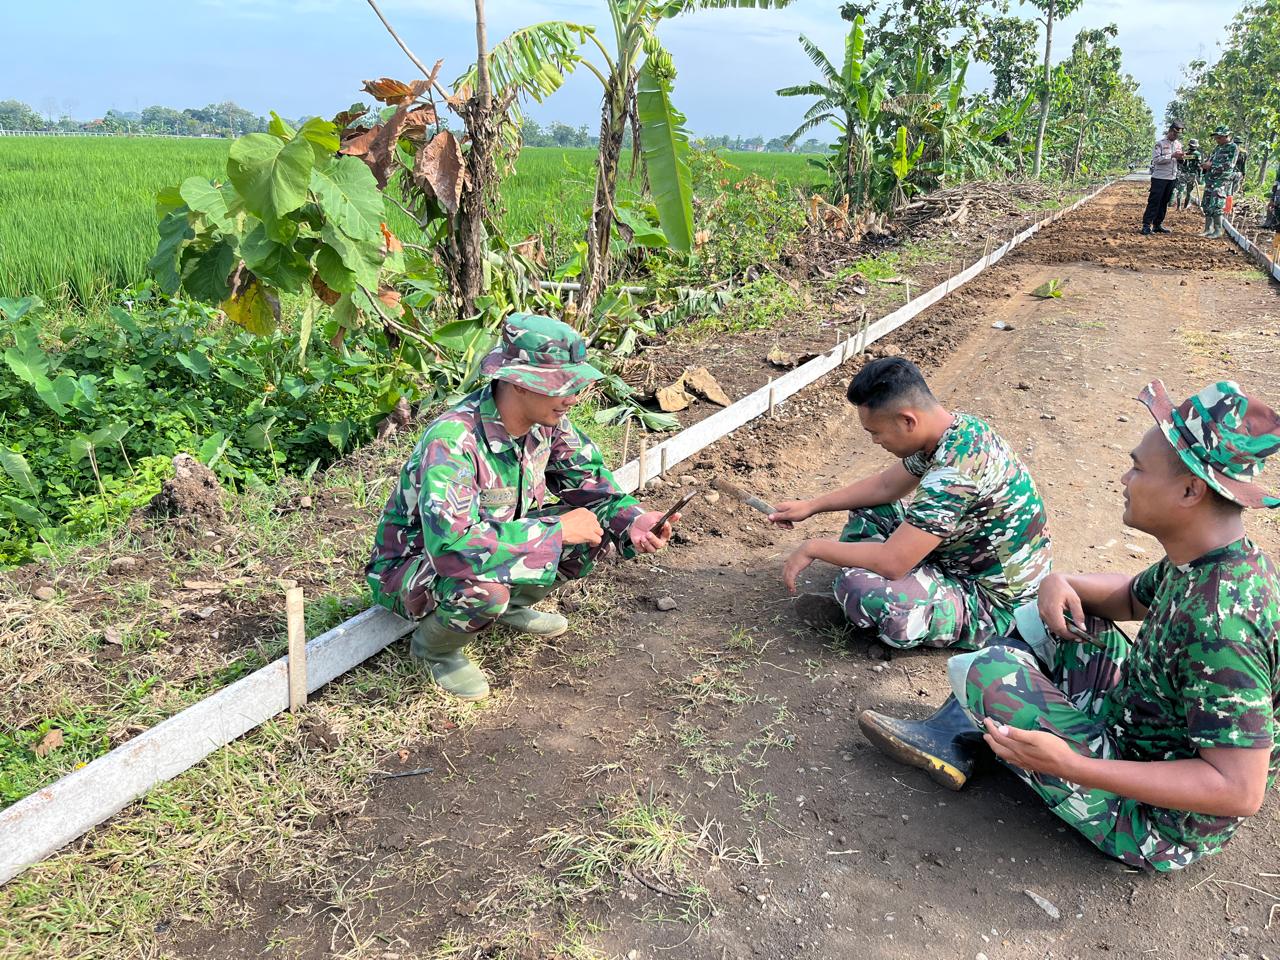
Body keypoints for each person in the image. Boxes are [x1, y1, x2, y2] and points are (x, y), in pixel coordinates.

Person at [860, 379, 1280, 872]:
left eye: (1138, 468)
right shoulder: (1213, 561)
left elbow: (1238, 789)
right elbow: (1129, 596)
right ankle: (963, 736)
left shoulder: (1221, 627)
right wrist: (1060, 580)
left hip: (1154, 825)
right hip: (1144, 727)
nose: (1125, 478)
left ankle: (990, 736)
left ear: (1190, 490)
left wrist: (1073, 766)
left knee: (987, 674)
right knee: (1049, 614)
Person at [366, 314, 677, 701]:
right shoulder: (452, 442)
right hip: (414, 565)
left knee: (594, 527)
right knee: (485, 589)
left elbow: (589, 484)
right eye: (561, 386)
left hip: (487, 540)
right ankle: (435, 649)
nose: (573, 398)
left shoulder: (547, 422)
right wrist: (556, 532)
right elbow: (451, 548)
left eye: (575, 384)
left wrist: (633, 520)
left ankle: (511, 607)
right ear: (518, 382)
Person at [769, 357, 1052, 652]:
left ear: (907, 420)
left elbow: (892, 564)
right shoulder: (956, 431)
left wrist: (815, 547)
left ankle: (869, 613)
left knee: (860, 588)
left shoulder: (955, 470)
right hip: (958, 557)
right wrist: (812, 505)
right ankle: (868, 584)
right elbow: (885, 486)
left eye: (875, 432)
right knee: (870, 507)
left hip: (994, 604)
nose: (875, 441)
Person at [1141, 121, 1184, 235]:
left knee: (1164, 202)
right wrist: (1171, 156)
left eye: (1177, 135)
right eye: (1174, 134)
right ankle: (1146, 225)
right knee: (1154, 202)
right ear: (1169, 131)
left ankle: (1157, 224)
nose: (1175, 136)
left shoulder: (1178, 145)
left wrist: (1181, 158)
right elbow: (1156, 160)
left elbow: (1179, 161)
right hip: (1160, 178)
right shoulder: (1159, 144)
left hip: (1172, 178)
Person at [1200, 125, 1239, 239]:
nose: (1217, 140)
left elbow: (1229, 165)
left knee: (1217, 204)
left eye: (1219, 137)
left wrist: (1211, 166)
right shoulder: (1217, 148)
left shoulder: (1233, 147)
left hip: (1221, 179)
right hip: (1211, 178)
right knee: (1207, 203)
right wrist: (1205, 165)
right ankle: (1208, 229)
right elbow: (1210, 160)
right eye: (1216, 138)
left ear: (1227, 136)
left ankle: (1218, 230)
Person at [1173, 138, 1202, 211]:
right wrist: (1200, 176)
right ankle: (1185, 207)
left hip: (1183, 174)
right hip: (1191, 175)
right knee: (1189, 192)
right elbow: (1198, 166)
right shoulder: (1197, 154)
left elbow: (1180, 162)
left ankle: (1178, 207)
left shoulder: (1185, 153)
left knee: (1180, 190)